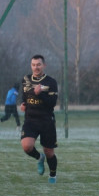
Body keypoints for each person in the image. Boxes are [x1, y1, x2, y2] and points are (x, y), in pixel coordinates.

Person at [20, 54, 60, 184]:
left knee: (49, 151)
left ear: (44, 65)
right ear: (31, 66)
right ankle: (39, 157)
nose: (36, 67)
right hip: (31, 120)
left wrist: (40, 94)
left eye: (38, 65)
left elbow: (52, 103)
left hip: (46, 120)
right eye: (33, 65)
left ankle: (53, 175)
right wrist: (23, 104)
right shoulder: (26, 79)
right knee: (26, 146)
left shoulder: (50, 82)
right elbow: (25, 96)